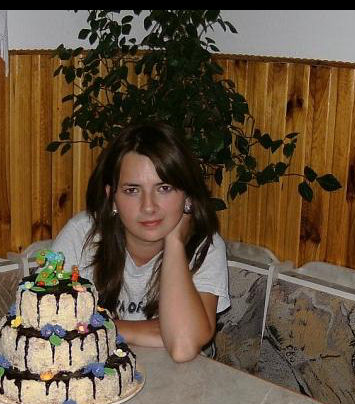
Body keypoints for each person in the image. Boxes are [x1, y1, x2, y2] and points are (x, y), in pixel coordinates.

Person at [52, 121, 230, 362]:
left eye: (164, 188)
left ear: (187, 194)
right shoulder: (81, 235)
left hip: (181, 380)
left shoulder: (205, 246)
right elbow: (49, 323)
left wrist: (175, 242)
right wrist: (155, 331)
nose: (148, 207)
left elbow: (182, 345)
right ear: (112, 197)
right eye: (132, 190)